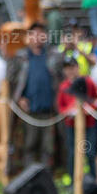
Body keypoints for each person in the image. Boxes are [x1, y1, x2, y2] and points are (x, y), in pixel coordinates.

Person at [9, 22, 61, 167]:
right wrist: (19, 99)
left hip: (50, 110)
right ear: (29, 37)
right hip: (28, 111)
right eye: (34, 33)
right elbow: (12, 82)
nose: (38, 37)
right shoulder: (21, 57)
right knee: (28, 145)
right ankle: (28, 180)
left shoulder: (53, 56)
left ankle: (46, 179)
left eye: (41, 33)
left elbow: (61, 79)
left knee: (48, 148)